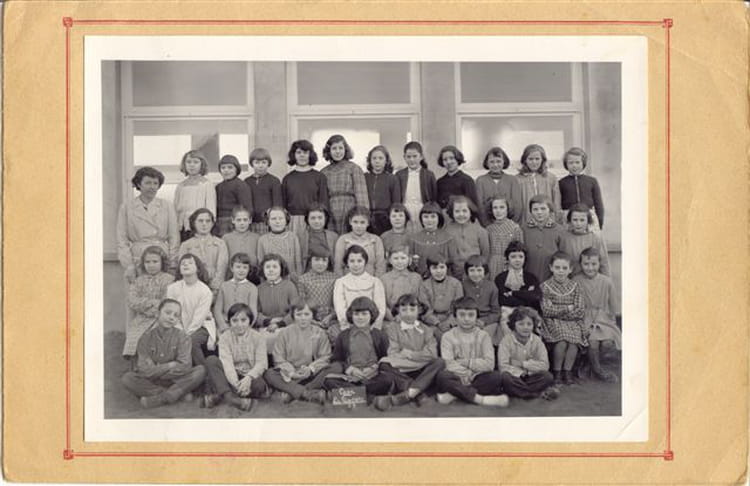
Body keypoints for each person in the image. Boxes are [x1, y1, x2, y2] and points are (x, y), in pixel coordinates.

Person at [121, 299, 206, 409]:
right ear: (158, 313)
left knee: (200, 371)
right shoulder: (145, 338)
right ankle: (176, 394)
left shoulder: (183, 338)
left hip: (176, 379)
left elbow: (185, 366)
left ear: (178, 320)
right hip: (153, 382)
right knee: (128, 378)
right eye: (168, 312)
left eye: (176, 315)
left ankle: (161, 398)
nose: (171, 317)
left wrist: (157, 369)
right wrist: (170, 365)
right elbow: (145, 370)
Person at [434, 297, 509, 407]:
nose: (466, 319)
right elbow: (448, 363)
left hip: (477, 377)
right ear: (455, 317)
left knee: (496, 377)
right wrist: (467, 373)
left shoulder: (484, 336)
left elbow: (489, 364)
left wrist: (467, 363)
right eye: (462, 315)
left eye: (471, 315)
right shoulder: (447, 336)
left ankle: (453, 395)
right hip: (456, 376)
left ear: (476, 317)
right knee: (443, 376)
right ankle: (480, 399)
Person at [324, 297, 396, 410]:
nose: (360, 317)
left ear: (371, 315)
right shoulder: (343, 335)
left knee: (387, 379)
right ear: (351, 316)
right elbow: (336, 359)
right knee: (328, 380)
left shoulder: (380, 335)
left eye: (364, 314)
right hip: (350, 377)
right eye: (356, 314)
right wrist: (350, 369)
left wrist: (374, 368)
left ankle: (349, 396)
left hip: (372, 377)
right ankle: (369, 397)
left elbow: (386, 358)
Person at [263, 301, 335, 404]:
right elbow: (278, 357)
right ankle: (306, 393)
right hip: (289, 375)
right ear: (293, 316)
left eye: (307, 314)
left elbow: (325, 357)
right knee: (269, 373)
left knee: (334, 367)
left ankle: (292, 392)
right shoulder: (284, 333)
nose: (303, 318)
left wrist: (310, 369)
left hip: (311, 375)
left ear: (313, 316)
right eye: (299, 314)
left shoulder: (319, 333)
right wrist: (291, 372)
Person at [379, 294, 445, 406]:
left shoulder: (427, 330)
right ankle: (418, 393)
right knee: (384, 364)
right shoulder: (392, 328)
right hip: (403, 368)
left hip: (422, 368)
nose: (408, 314)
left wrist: (409, 354)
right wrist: (420, 355)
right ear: (398, 311)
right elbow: (393, 353)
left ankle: (409, 393)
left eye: (412, 309)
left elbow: (432, 354)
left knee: (440, 362)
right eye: (404, 310)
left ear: (419, 310)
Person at [117, 166, 179, 282]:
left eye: (155, 183)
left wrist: (172, 262)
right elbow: (122, 239)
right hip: (138, 258)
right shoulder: (127, 207)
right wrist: (129, 265)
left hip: (162, 257)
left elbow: (174, 237)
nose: (152, 187)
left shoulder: (166, 206)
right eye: (148, 183)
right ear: (139, 184)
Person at [202, 303, 269, 411]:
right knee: (211, 360)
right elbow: (226, 363)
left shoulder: (258, 338)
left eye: (243, 320)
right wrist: (236, 383)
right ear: (229, 322)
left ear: (250, 321)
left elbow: (261, 363)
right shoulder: (224, 338)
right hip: (230, 375)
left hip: (249, 375)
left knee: (259, 385)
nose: (239, 324)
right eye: (235, 320)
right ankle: (231, 399)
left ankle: (221, 395)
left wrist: (248, 378)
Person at [573, 247, 621, 383]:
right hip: (585, 318)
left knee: (607, 343)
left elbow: (613, 306)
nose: (590, 268)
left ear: (599, 264)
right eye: (586, 264)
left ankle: (590, 364)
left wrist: (612, 322)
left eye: (594, 264)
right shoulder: (576, 281)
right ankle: (598, 371)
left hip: (603, 318)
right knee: (593, 342)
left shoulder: (607, 281)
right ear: (581, 264)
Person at [538, 252, 586, 385]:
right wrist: (568, 308)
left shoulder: (575, 286)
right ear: (551, 268)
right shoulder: (545, 287)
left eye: (564, 268)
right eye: (557, 267)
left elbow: (580, 310)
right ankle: (557, 372)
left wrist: (557, 310)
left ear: (570, 269)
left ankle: (567, 372)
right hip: (552, 322)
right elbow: (546, 310)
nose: (561, 271)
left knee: (574, 341)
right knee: (562, 340)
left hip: (573, 322)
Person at [123, 246, 175, 358]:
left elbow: (167, 300)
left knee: (155, 337)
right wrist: (150, 303)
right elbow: (132, 300)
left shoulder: (169, 280)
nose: (151, 265)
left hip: (161, 318)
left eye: (155, 262)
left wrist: (156, 308)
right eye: (147, 262)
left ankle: (157, 362)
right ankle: (138, 363)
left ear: (162, 262)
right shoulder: (139, 281)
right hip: (142, 318)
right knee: (135, 336)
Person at [166, 253, 217, 367]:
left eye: (190, 263)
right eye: (183, 263)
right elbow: (171, 313)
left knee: (191, 341)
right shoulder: (172, 288)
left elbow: (199, 318)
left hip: (200, 327)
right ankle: (177, 371)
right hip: (177, 326)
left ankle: (203, 370)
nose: (186, 265)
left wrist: (186, 334)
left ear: (198, 268)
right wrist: (179, 330)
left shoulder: (204, 291)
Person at [498, 306, 558, 400]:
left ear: (533, 325)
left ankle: (520, 392)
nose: (525, 327)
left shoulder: (537, 341)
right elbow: (503, 366)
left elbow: (545, 365)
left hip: (532, 375)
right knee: (505, 378)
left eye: (529, 324)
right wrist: (520, 372)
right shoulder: (506, 341)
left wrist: (523, 364)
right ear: (514, 325)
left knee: (548, 376)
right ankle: (535, 394)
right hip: (514, 377)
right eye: (521, 324)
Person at [330, 245, 386, 341]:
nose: (356, 265)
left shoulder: (375, 282)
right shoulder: (341, 282)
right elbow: (340, 309)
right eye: (352, 261)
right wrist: (348, 328)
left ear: (365, 262)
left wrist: (372, 329)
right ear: (347, 263)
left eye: (359, 261)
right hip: (349, 326)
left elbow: (380, 309)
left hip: (371, 327)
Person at [281, 139, 329, 247]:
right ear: (294, 155)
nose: (302, 155)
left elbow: (323, 202)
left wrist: (319, 220)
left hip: (314, 220)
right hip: (293, 221)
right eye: (298, 152)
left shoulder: (319, 177)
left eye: (305, 152)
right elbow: (283, 204)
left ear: (310, 155)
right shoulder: (288, 178)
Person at [320, 134, 369, 235]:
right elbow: (322, 198)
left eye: (340, 148)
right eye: (334, 148)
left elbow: (362, 197)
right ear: (329, 151)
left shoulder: (354, 168)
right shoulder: (324, 172)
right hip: (331, 212)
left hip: (349, 209)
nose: (338, 151)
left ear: (345, 150)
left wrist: (361, 217)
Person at [178, 208, 229, 294]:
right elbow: (183, 268)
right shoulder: (186, 245)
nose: (204, 224)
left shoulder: (220, 244)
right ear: (194, 223)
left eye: (208, 221)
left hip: (215, 288)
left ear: (212, 224)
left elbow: (222, 268)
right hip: (193, 287)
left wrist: (215, 288)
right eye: (200, 221)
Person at [255, 253, 300, 351]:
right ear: (263, 270)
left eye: (275, 267)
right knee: (261, 341)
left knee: (286, 339)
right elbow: (256, 312)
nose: (271, 270)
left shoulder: (289, 286)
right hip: (266, 325)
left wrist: (279, 324)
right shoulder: (259, 289)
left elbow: (295, 310)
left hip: (286, 324)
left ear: (281, 269)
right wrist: (268, 321)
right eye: (267, 267)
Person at [173, 150, 216, 242]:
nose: (192, 165)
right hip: (183, 228)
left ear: (202, 164)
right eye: (188, 162)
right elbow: (176, 209)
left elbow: (211, 210)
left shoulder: (206, 184)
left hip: (200, 228)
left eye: (196, 162)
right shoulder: (181, 186)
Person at [418, 255, 464, 341]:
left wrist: (449, 322)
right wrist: (437, 323)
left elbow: (459, 307)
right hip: (431, 322)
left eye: (442, 267)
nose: (438, 271)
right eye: (434, 268)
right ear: (429, 269)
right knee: (432, 335)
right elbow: (425, 309)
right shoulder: (424, 285)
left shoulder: (456, 284)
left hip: (452, 320)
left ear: (447, 268)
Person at [558, 147, 605, 231]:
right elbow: (559, 204)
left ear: (583, 163)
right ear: (566, 164)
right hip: (569, 218)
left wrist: (600, 221)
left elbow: (599, 204)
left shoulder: (592, 181)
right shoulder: (561, 182)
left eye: (577, 162)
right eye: (571, 163)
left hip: (588, 216)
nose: (574, 165)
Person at [444, 195, 489, 280]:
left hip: (475, 275)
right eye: (457, 211)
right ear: (452, 212)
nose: (461, 214)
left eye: (464, 211)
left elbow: (485, 254)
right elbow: (445, 256)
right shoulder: (447, 231)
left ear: (471, 211)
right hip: (455, 275)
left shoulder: (480, 231)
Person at [475, 146, 523, 225]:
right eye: (492, 162)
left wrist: (511, 224)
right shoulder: (480, 181)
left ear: (504, 162)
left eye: (498, 161)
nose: (495, 165)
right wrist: (487, 225)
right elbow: (479, 206)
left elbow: (517, 206)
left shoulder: (512, 180)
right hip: (487, 226)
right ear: (487, 163)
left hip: (509, 225)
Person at [407, 202, 458, 276]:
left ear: (439, 218)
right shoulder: (414, 239)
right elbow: (411, 265)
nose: (429, 220)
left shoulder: (448, 238)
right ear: (421, 218)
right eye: (426, 217)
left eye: (433, 216)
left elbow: (454, 264)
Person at [395, 141, 437, 232]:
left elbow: (434, 196)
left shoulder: (429, 175)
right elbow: (397, 197)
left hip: (423, 210)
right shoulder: (399, 175)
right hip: (405, 210)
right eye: (408, 157)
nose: (412, 159)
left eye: (415, 156)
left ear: (421, 157)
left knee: (422, 234)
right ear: (404, 157)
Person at [213, 252, 259, 335]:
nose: (241, 270)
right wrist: (223, 326)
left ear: (249, 269)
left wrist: (247, 327)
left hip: (244, 325)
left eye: (245, 267)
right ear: (232, 268)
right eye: (238, 267)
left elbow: (253, 311)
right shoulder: (224, 286)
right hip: (226, 324)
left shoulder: (252, 288)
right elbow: (217, 309)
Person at [333, 206, 386, 277]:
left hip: (370, 280)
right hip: (348, 281)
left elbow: (380, 266)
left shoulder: (376, 240)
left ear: (368, 223)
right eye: (355, 222)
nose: (359, 226)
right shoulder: (342, 240)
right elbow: (338, 266)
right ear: (350, 221)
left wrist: (375, 281)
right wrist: (343, 282)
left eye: (362, 222)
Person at [522, 194, 564, 282]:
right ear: (530, 211)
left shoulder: (559, 230)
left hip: (551, 275)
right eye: (535, 209)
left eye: (543, 209)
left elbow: (563, 255)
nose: (539, 212)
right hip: (529, 272)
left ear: (550, 210)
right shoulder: (523, 229)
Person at [560, 203, 610, 276]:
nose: (578, 223)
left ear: (588, 221)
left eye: (582, 220)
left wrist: (606, 280)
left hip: (591, 279)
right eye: (575, 220)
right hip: (570, 279)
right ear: (570, 221)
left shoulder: (595, 238)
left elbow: (604, 263)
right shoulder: (563, 238)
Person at [461, 255, 502, 344]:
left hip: (487, 320)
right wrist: (470, 320)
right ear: (467, 272)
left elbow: (496, 312)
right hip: (468, 319)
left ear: (485, 271)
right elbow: (460, 307)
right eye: (472, 270)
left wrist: (484, 321)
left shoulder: (492, 287)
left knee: (483, 338)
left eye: (479, 270)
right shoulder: (463, 285)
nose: (476, 274)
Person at [516, 144, 561, 225]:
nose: (534, 162)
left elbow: (556, 201)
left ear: (542, 160)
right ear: (525, 160)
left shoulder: (551, 178)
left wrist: (555, 219)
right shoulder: (518, 179)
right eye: (530, 159)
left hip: (548, 221)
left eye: (537, 159)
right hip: (526, 220)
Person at [495, 241, 542, 314]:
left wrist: (513, 293)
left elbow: (536, 297)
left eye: (521, 256)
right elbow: (503, 301)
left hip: (528, 313)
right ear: (507, 259)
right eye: (513, 257)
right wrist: (526, 295)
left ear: (525, 258)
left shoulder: (531, 277)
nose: (517, 260)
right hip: (508, 313)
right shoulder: (500, 278)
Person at [244, 147, 283, 235]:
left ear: (268, 163)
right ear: (252, 163)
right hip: (250, 222)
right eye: (257, 162)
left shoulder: (274, 181)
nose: (260, 166)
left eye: (264, 162)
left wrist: (272, 219)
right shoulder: (247, 181)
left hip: (267, 222)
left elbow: (277, 204)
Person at [364, 145, 401, 235]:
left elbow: (396, 202)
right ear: (370, 160)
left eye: (380, 158)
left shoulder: (392, 178)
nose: (377, 161)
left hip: (385, 218)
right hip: (367, 217)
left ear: (386, 161)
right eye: (374, 158)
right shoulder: (364, 177)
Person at [256, 207, 303, 278]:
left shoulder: (293, 237)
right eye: (273, 219)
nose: (277, 221)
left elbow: (298, 261)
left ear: (286, 220)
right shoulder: (262, 240)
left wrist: (298, 278)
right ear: (268, 221)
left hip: (290, 279)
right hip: (270, 278)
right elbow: (261, 263)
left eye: (281, 218)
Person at [379, 246, 422, 322]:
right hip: (390, 319)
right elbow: (382, 304)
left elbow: (421, 302)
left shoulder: (416, 278)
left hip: (412, 317)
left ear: (409, 260)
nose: (399, 261)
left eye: (403, 258)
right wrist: (392, 318)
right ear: (390, 260)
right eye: (396, 258)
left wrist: (409, 316)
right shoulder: (384, 279)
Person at [297, 248, 337, 329]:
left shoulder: (334, 278)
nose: (320, 263)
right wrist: (311, 320)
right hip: (310, 319)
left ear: (328, 262)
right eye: (316, 260)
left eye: (324, 260)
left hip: (331, 318)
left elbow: (337, 303)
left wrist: (331, 317)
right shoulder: (303, 279)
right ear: (310, 261)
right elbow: (302, 303)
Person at [214, 154, 253, 237]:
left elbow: (247, 207)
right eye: (223, 168)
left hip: (234, 222)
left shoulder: (241, 185)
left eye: (230, 167)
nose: (226, 170)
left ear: (236, 169)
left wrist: (241, 221)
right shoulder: (218, 187)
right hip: (219, 222)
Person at [485, 197, 524, 280]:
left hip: (509, 264)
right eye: (495, 208)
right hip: (493, 264)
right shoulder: (488, 229)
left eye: (502, 207)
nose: (498, 211)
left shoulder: (515, 228)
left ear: (508, 209)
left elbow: (520, 250)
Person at [221, 205, 260, 280]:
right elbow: (224, 261)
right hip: (232, 276)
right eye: (239, 220)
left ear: (250, 220)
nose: (242, 223)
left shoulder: (256, 238)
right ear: (233, 220)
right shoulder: (226, 238)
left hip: (253, 276)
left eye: (245, 220)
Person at [435, 145, 479, 210]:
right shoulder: (439, 182)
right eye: (445, 159)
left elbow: (473, 206)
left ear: (457, 159)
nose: (448, 162)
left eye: (451, 158)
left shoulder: (467, 180)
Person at [300, 204, 338, 271]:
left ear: (325, 218)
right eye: (313, 218)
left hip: (329, 272)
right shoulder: (301, 237)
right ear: (307, 219)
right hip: (308, 272)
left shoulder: (333, 237)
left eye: (320, 218)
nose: (316, 221)